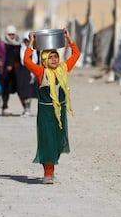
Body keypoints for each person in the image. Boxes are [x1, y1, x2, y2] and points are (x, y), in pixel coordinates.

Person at [23, 29, 80, 184]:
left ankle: (51, 168)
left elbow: (76, 55)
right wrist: (31, 42)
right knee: (47, 141)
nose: (54, 60)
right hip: (46, 113)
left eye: (56, 56)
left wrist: (69, 39)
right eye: (50, 57)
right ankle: (48, 173)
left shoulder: (64, 69)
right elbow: (27, 61)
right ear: (44, 59)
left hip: (60, 111)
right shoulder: (41, 72)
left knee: (58, 140)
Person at [0, 25, 22, 116]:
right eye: (9, 34)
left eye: (13, 34)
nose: (11, 36)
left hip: (16, 71)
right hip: (5, 71)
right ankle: (4, 107)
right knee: (6, 89)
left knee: (20, 89)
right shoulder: (3, 45)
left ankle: (26, 108)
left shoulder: (18, 45)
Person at [17, 31, 39, 116]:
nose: (27, 43)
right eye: (26, 40)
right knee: (23, 92)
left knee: (30, 92)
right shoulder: (20, 49)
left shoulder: (36, 50)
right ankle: (26, 108)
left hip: (33, 73)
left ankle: (28, 109)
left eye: (30, 40)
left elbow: (38, 61)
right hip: (23, 73)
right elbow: (22, 61)